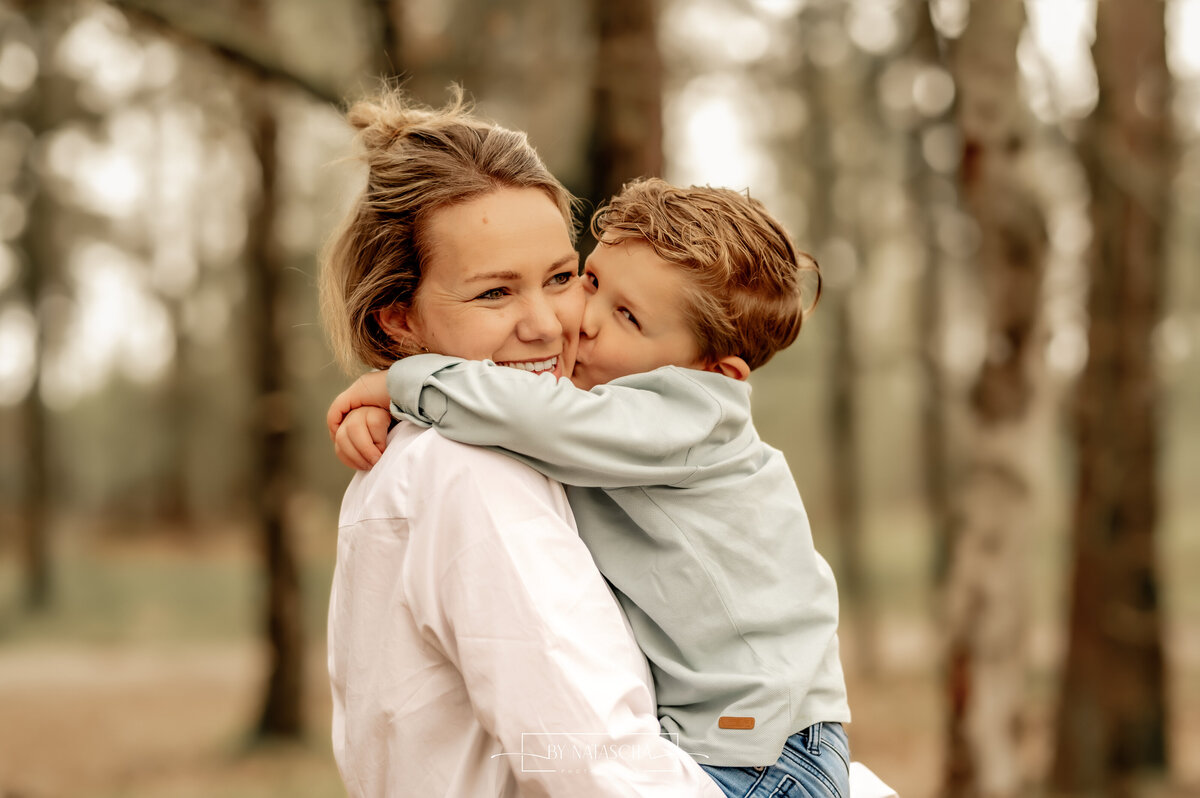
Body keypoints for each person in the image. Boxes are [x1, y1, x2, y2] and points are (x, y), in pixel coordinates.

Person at [330, 177, 854, 798]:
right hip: (747, 740)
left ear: (714, 370)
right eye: (591, 281)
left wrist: (402, 384)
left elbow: (537, 417)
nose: (581, 321)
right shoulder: (501, 459)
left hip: (766, 754)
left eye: (627, 316)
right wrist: (402, 410)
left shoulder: (694, 411)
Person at [319, 87, 725, 798]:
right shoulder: (470, 472)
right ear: (398, 321)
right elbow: (601, 767)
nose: (547, 324)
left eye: (562, 278)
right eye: (494, 293)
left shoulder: (452, 455)